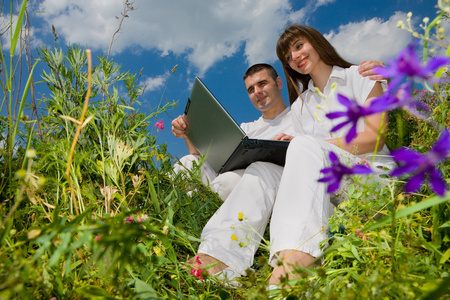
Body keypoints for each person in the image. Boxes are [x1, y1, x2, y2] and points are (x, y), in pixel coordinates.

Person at [175, 59, 387, 285]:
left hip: (283, 184)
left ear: (278, 83)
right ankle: (182, 230)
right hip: (245, 183)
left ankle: (234, 257)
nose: (258, 92)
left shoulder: (301, 115)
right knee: (191, 160)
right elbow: (206, 153)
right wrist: (187, 132)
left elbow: (328, 142)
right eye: (251, 89)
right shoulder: (246, 129)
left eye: (263, 84)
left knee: (258, 170)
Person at [266, 24, 397, 286]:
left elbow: (374, 137)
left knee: (303, 145)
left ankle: (297, 264)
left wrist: (312, 145)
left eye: (299, 46)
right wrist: (307, 148)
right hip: (333, 197)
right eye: (288, 57)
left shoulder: (361, 76)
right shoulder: (300, 106)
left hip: (374, 182)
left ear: (316, 41)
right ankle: (290, 258)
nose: (295, 57)